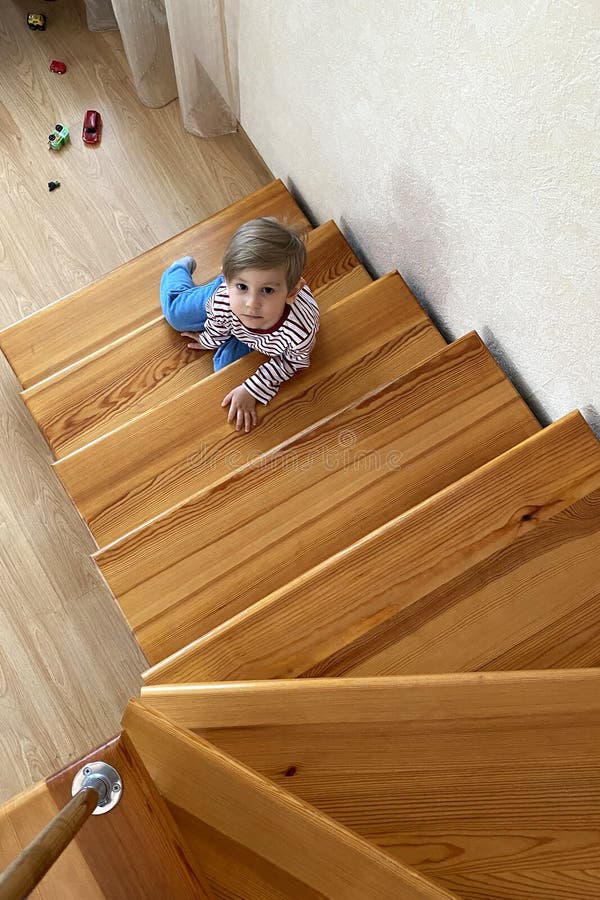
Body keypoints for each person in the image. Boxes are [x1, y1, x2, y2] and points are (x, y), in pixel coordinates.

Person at [160, 217, 319, 433]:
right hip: (229, 305)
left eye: (268, 290)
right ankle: (178, 271)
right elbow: (218, 321)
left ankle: (246, 294)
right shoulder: (224, 298)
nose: (251, 304)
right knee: (177, 315)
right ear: (227, 278)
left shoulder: (299, 333)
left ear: (291, 292)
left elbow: (292, 362)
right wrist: (208, 339)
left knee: (226, 371)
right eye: (243, 287)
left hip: (255, 335)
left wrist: (252, 390)